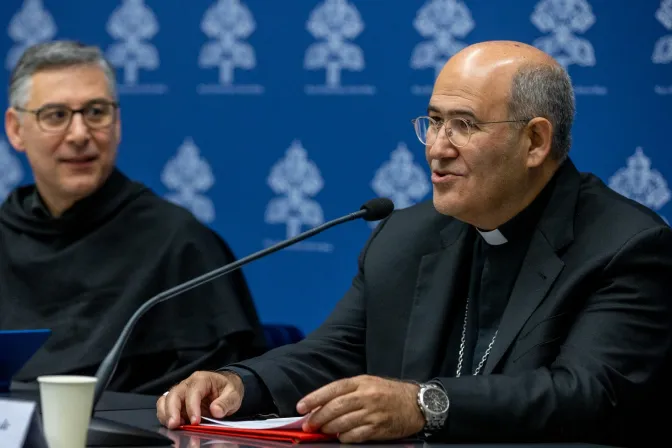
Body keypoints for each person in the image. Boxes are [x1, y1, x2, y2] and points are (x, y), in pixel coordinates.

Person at [156, 41, 672, 445]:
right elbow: (334, 352)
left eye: (464, 125)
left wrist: (426, 404)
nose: (436, 148)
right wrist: (242, 383)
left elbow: (587, 394)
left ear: (535, 141)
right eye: (434, 121)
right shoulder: (406, 234)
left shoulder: (626, 247)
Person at [0, 41, 267, 395]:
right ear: (16, 129)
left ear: (117, 123)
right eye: (56, 115)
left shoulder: (178, 241)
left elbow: (219, 383)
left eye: (96, 112)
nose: (80, 134)